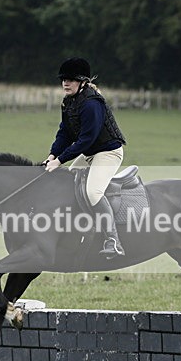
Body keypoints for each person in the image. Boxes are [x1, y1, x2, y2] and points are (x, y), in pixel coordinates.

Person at [43, 57, 127, 258]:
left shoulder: (91, 104)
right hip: (90, 153)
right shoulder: (69, 102)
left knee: (92, 192)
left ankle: (113, 241)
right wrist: (52, 153)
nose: (65, 83)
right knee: (67, 184)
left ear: (82, 82)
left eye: (70, 79)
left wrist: (60, 161)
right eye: (63, 79)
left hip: (108, 152)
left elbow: (86, 139)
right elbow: (65, 132)